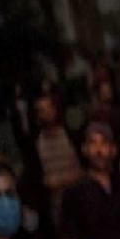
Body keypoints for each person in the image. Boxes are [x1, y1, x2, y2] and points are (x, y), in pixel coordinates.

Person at [32, 93, 83, 223]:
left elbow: (86, 169)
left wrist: (63, 180)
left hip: (82, 201)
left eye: (49, 107)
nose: (46, 113)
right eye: (41, 110)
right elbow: (36, 180)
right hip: (57, 209)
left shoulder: (72, 136)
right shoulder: (35, 145)